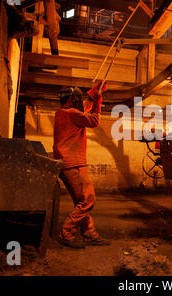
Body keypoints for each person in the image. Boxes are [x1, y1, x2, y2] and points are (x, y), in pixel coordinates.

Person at [53, 83, 109, 248]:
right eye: (77, 100)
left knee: (80, 200)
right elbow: (93, 120)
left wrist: (92, 94)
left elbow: (82, 110)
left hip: (66, 163)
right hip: (73, 164)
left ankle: (89, 233)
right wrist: (98, 101)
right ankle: (67, 232)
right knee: (88, 199)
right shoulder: (71, 114)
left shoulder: (62, 113)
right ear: (72, 100)